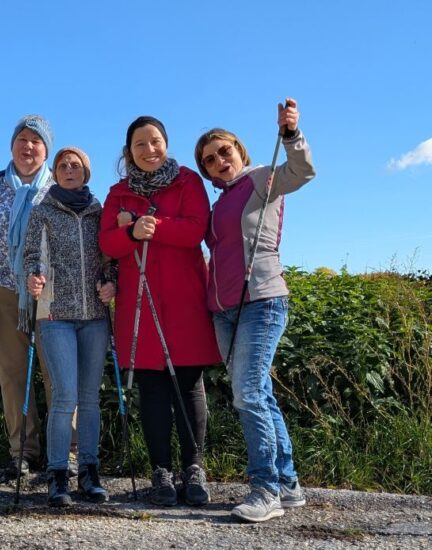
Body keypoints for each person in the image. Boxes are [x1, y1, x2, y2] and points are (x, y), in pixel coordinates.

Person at [194, 98, 315, 523]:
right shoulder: (217, 205)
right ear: (206, 171)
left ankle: (265, 491)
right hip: (224, 309)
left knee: (247, 393)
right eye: (209, 159)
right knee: (258, 393)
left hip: (262, 299)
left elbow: (301, 171)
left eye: (224, 151)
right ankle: (288, 484)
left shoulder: (263, 178)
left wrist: (290, 135)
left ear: (240, 151)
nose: (219, 161)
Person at [99, 116, 220, 507]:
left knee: (188, 385)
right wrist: (130, 232)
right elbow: (108, 243)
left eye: (155, 142)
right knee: (151, 388)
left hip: (184, 299)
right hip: (140, 302)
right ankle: (161, 471)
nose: (149, 150)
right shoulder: (118, 192)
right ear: (128, 152)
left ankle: (194, 468)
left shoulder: (187, 181)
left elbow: (195, 230)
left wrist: (149, 226)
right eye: (140, 145)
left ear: (166, 143)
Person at [0, 116, 78, 476]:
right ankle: (23, 452)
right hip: (2, 287)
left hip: (51, 292)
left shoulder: (61, 185)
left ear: (47, 149)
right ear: (12, 145)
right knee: (12, 374)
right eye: (22, 140)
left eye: (37, 141)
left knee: (57, 374)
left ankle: (67, 453)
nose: (28, 147)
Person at [24, 147, 115, 507]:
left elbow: (111, 260)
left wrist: (113, 283)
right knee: (65, 398)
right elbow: (32, 256)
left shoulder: (99, 212)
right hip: (55, 315)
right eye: (62, 165)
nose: (68, 169)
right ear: (55, 173)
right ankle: (58, 475)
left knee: (90, 399)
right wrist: (33, 277)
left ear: (85, 173)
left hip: (94, 316)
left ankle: (90, 472)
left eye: (75, 165)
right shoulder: (42, 211)